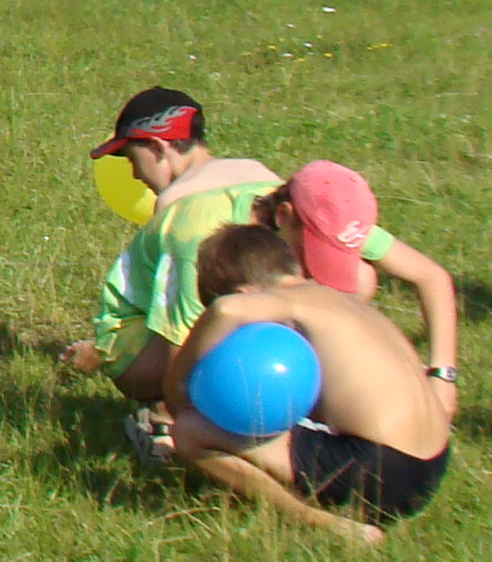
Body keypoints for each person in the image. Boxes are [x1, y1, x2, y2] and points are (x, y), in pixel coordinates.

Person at [165, 225, 452, 544]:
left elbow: (226, 309)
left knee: (189, 430)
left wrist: (176, 382)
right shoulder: (337, 300)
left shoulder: (285, 302)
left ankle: (320, 523)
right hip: (432, 467)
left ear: (246, 291)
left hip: (379, 467)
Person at [67, 88, 283, 413]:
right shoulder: (263, 178)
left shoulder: (182, 212)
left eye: (132, 160)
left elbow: (182, 335)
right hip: (215, 331)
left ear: (157, 148)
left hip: (159, 343)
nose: (134, 174)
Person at [251, 161, 460, 379]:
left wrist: (443, 373)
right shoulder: (232, 237)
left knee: (362, 277)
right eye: (310, 252)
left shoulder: (336, 226)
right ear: (283, 216)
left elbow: (432, 277)